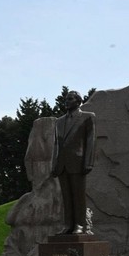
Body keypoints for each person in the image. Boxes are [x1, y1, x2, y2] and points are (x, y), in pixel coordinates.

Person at [51, 90, 96, 234]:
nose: (67, 101)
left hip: (78, 162)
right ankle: (68, 225)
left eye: (70, 99)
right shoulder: (59, 121)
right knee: (66, 197)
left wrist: (88, 162)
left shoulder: (87, 117)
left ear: (78, 101)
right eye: (66, 99)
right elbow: (56, 144)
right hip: (62, 164)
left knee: (78, 196)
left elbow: (91, 141)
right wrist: (54, 164)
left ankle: (80, 225)